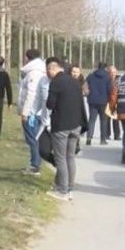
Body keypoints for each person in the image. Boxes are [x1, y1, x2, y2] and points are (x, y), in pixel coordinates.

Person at [45, 57, 87, 201]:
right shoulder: (75, 82)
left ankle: (62, 190)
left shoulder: (56, 82)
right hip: (75, 125)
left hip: (61, 125)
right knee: (70, 157)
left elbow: (50, 104)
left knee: (60, 157)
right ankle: (69, 187)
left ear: (52, 69)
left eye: (48, 71)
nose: (47, 74)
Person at [18, 48, 49, 175]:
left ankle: (35, 165)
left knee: (32, 138)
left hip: (32, 112)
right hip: (36, 111)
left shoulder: (33, 73)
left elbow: (31, 93)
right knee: (33, 138)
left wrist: (25, 112)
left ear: (27, 57)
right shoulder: (38, 71)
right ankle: (34, 163)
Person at [85, 63, 111, 145]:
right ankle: (103, 139)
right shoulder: (107, 77)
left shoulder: (91, 76)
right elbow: (109, 89)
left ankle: (89, 137)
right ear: (105, 68)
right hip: (104, 101)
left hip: (92, 100)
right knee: (103, 120)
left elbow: (86, 86)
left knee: (92, 120)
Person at [107, 65, 122, 141]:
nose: (112, 74)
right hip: (108, 102)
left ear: (116, 73)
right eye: (110, 72)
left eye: (114, 72)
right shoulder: (106, 80)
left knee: (115, 119)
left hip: (116, 102)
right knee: (107, 119)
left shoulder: (119, 80)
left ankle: (117, 135)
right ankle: (107, 134)